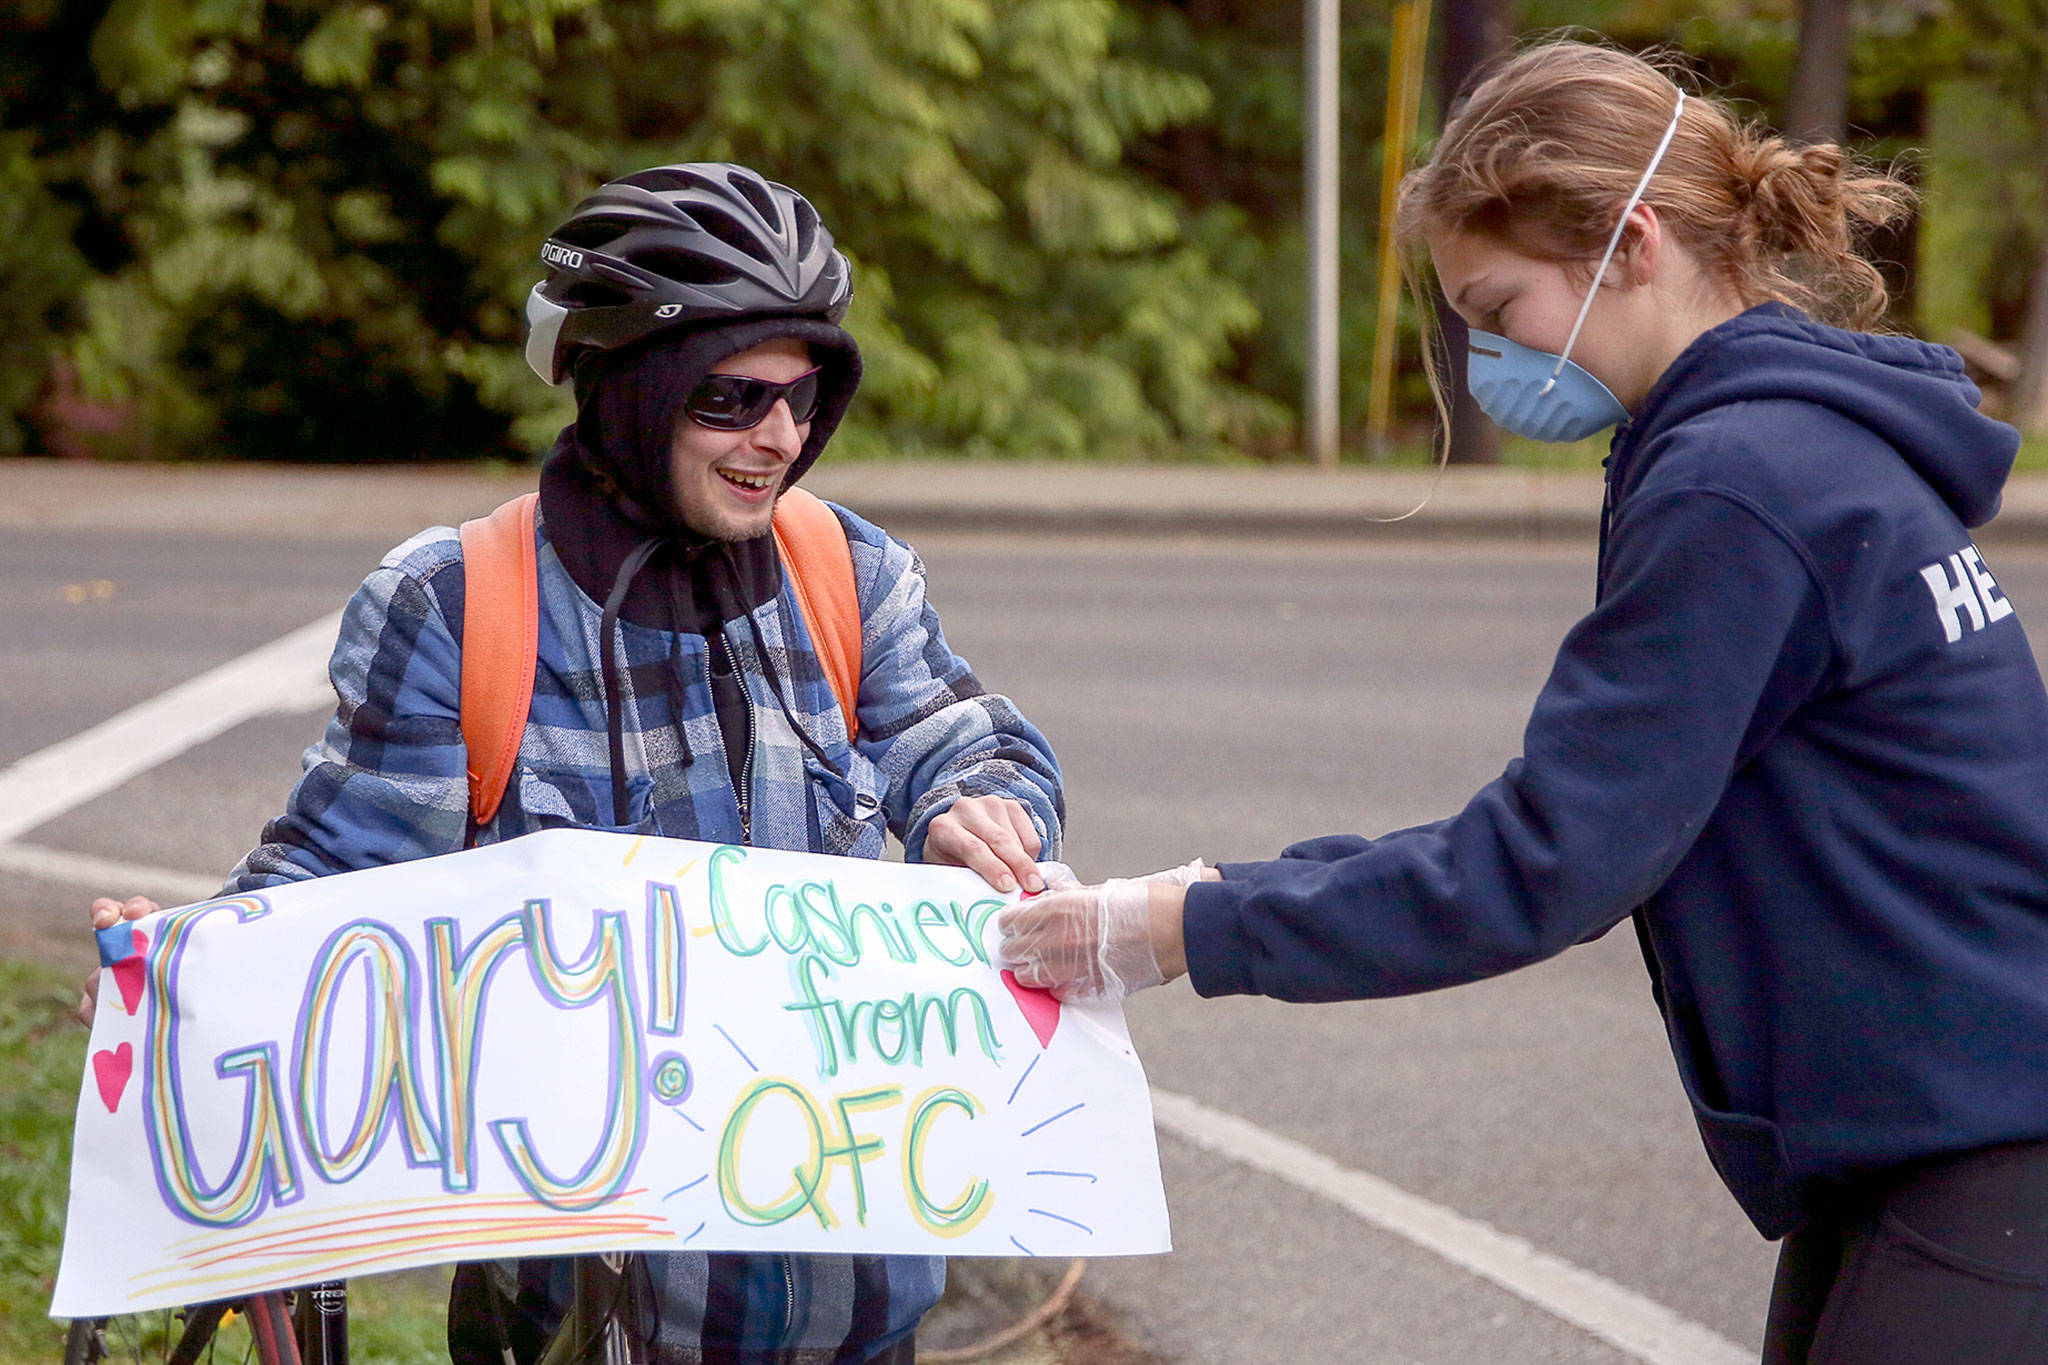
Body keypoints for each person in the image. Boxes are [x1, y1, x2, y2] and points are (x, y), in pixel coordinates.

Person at [999, 40, 2048, 1364]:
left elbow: (1549, 860)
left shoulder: (1739, 482)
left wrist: (1184, 924)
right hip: (1941, 1124)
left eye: (1498, 310)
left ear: (1629, 242)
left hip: (1977, 1140)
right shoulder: (1804, 442)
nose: (1491, 355)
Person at [83, 162, 1064, 1364]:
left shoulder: (847, 572)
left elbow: (963, 741)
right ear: (627, 392)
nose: (781, 436)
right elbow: (339, 869)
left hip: (858, 1308)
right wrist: (183, 980)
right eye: (731, 398)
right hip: (584, 1323)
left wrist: (983, 805)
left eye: (806, 396)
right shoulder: (457, 605)